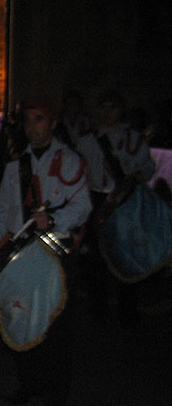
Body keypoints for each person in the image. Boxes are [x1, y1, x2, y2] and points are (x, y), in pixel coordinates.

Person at [0, 96, 92, 406]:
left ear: (53, 122)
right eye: (28, 120)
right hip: (21, 253)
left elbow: (82, 205)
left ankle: (55, 393)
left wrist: (55, 221)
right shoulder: (16, 165)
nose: (33, 127)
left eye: (40, 120)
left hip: (55, 254)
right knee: (19, 316)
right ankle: (27, 383)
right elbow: (4, 210)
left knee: (57, 325)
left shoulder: (70, 161)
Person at [75, 90, 155, 330]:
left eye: (112, 107)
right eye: (103, 106)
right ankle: (98, 310)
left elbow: (147, 166)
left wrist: (134, 178)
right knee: (95, 259)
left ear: (120, 110)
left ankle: (127, 312)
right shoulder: (87, 141)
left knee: (125, 257)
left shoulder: (132, 139)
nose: (107, 112)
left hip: (122, 201)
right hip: (97, 200)